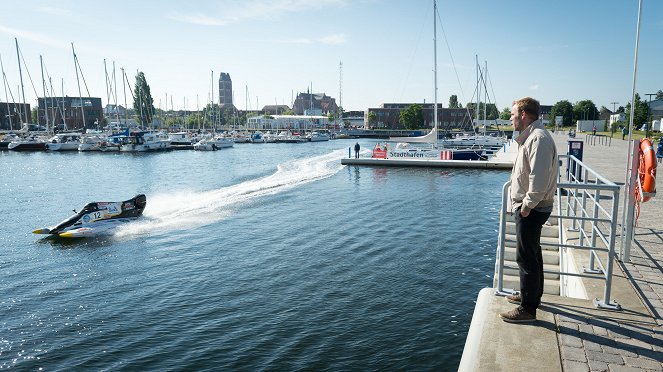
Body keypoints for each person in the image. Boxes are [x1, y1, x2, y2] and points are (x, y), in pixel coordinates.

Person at [499, 97, 558, 323]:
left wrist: (526, 206)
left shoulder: (538, 139)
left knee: (525, 257)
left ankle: (528, 309)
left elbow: (538, 179)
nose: (510, 119)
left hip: (532, 209)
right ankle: (531, 296)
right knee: (533, 253)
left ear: (524, 114)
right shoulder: (532, 137)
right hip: (532, 208)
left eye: (513, 114)